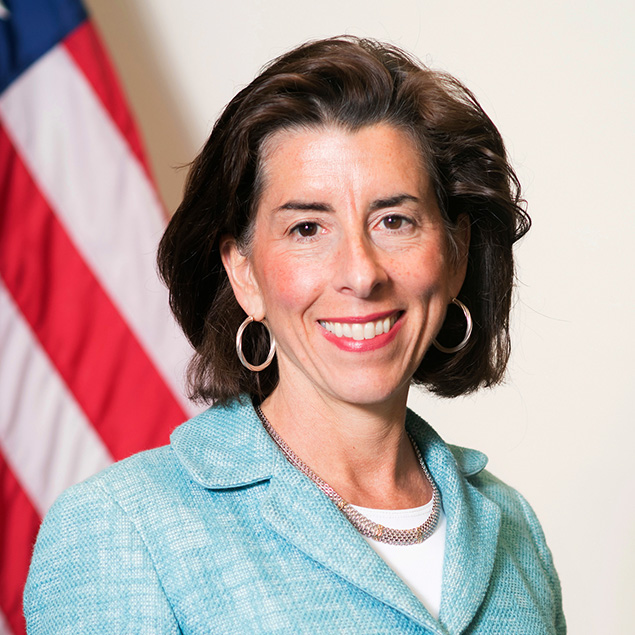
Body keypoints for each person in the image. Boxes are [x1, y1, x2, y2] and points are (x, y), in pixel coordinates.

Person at [24, 37, 565, 634]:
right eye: (307, 227)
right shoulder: (121, 529)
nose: (361, 273)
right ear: (244, 273)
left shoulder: (511, 524)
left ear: (455, 254)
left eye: (394, 221)